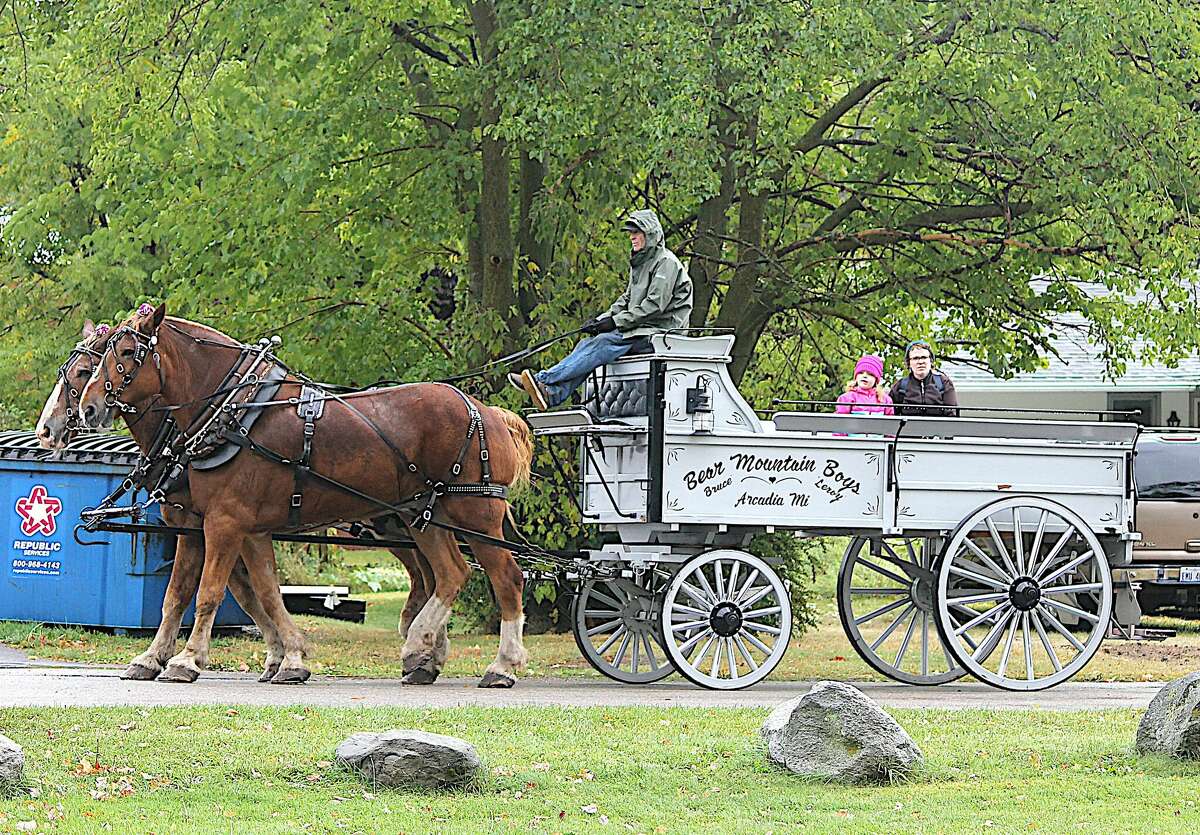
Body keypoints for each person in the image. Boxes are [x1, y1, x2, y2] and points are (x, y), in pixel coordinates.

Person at [509, 209, 692, 410]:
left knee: (603, 343)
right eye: (630, 232)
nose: (632, 237)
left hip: (661, 332)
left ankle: (542, 379)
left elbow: (654, 306)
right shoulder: (642, 263)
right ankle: (552, 395)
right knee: (587, 343)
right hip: (640, 328)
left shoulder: (666, 263)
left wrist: (615, 323)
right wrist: (600, 321)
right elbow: (627, 299)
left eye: (636, 232)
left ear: (651, 234)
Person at [889, 339, 959, 417]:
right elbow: (891, 417)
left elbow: (952, 417)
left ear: (931, 360)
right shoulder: (900, 387)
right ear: (909, 363)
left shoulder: (944, 384)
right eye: (915, 358)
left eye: (924, 357)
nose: (920, 362)